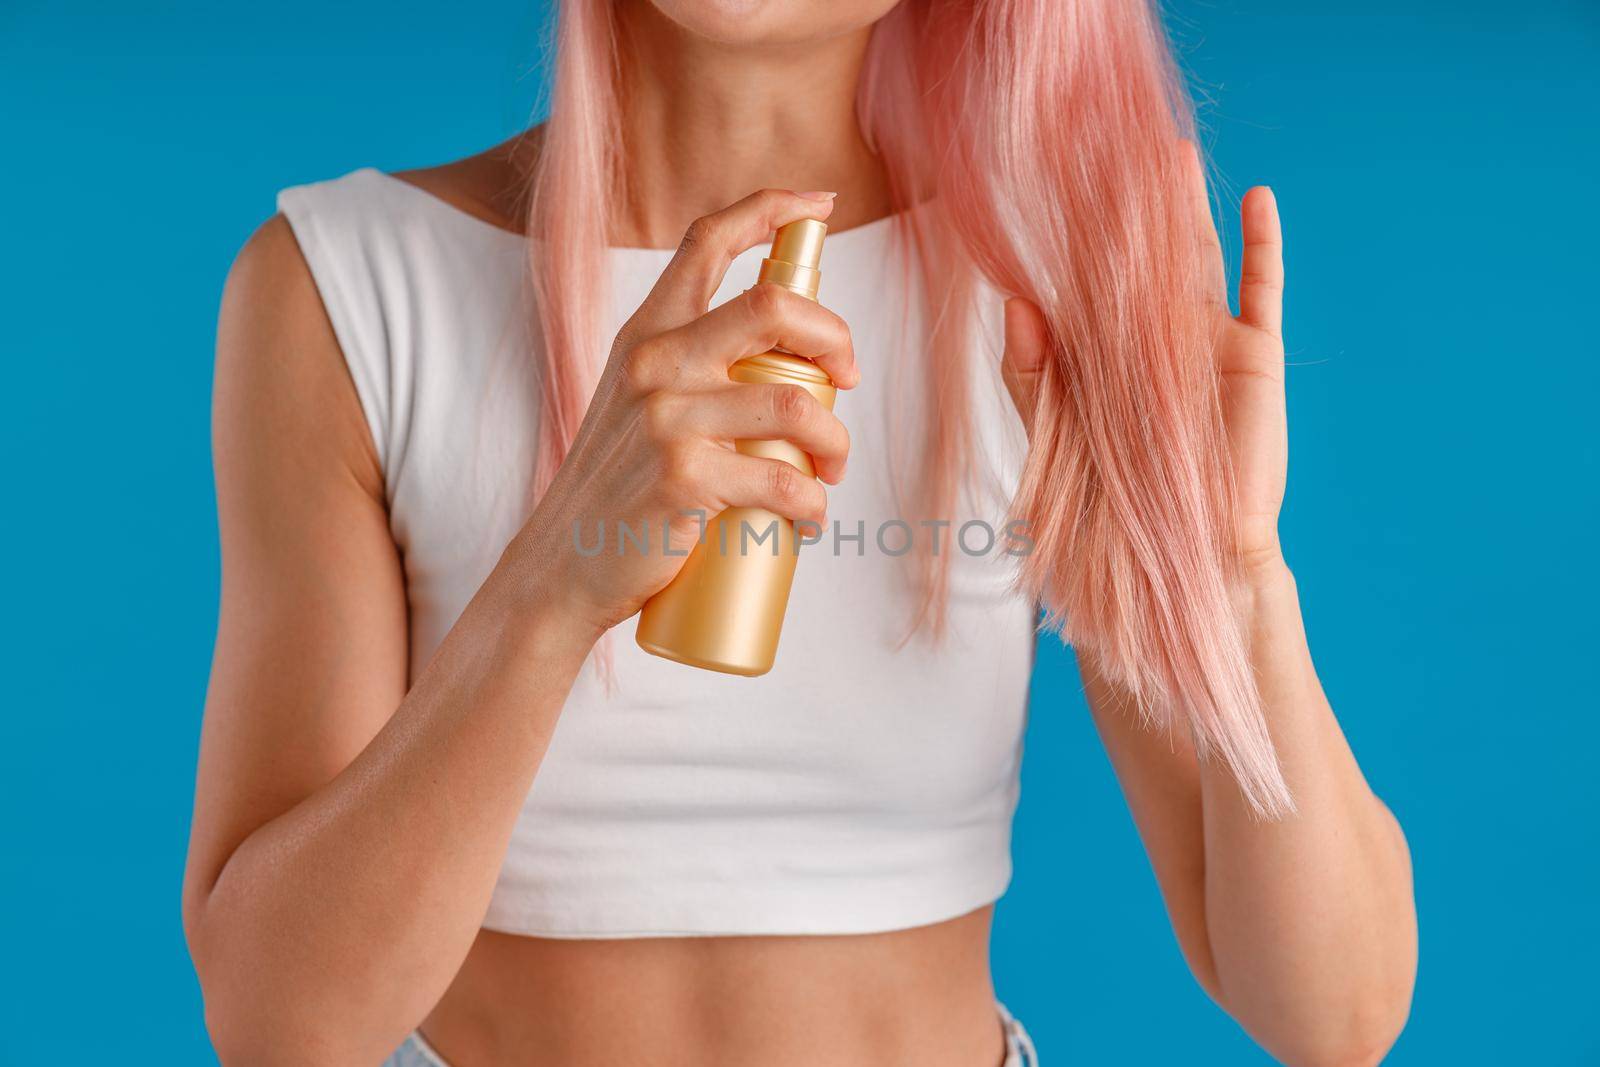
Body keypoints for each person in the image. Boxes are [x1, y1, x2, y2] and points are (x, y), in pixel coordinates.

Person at [182, 1, 1418, 1063]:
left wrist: (1236, 572)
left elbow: (1334, 1012)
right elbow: (278, 1023)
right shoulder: (344, 286)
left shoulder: (1044, 295)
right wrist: (553, 584)